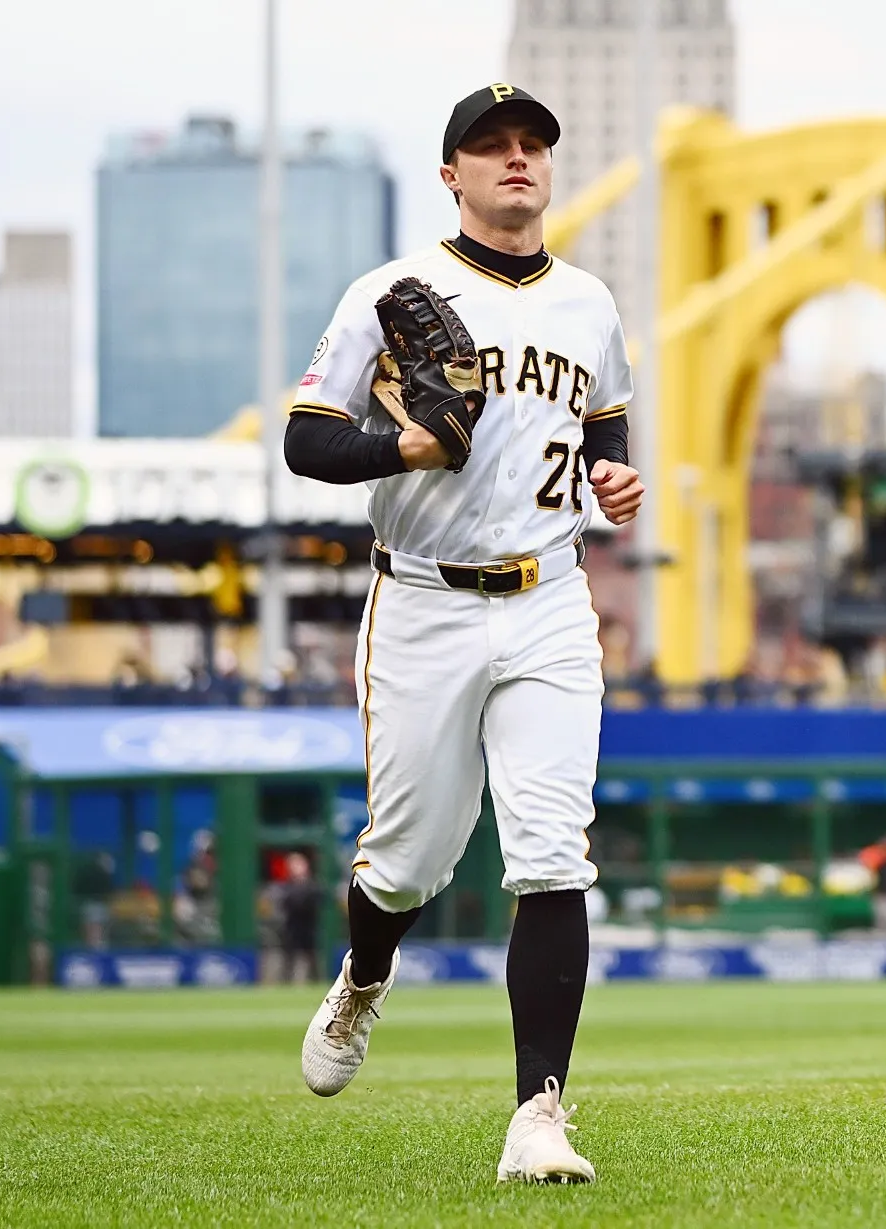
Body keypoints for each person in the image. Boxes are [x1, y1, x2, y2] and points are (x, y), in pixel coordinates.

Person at [282, 83, 643, 1186]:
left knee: (549, 850)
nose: (517, 159)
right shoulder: (394, 292)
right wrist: (406, 449)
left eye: (532, 143)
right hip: (424, 601)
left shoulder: (588, 301)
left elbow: (605, 424)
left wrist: (613, 478)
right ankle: (362, 976)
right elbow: (305, 441)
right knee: (406, 861)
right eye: (490, 147)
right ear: (451, 173)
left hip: (548, 598)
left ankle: (538, 1112)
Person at [279, 852, 321, 985]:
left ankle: (316, 982)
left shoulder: (312, 884)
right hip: (292, 927)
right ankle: (286, 982)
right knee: (289, 958)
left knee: (312, 957)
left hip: (308, 927)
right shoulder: (287, 886)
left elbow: (317, 900)